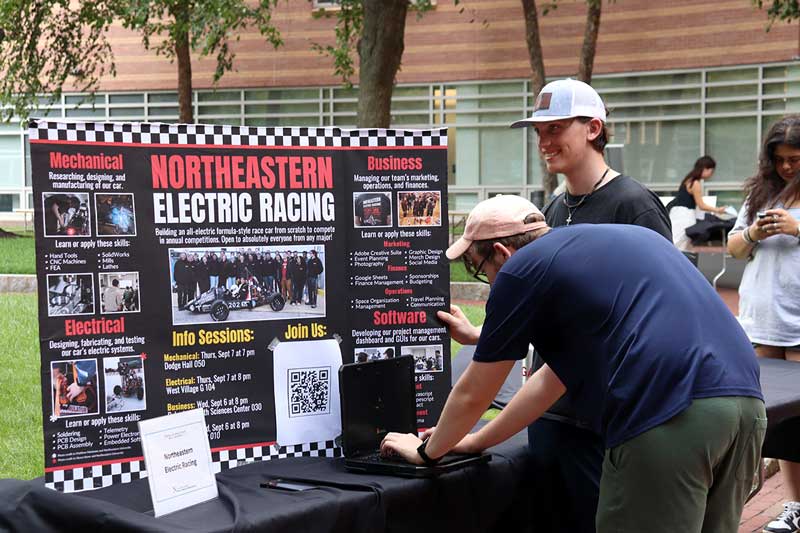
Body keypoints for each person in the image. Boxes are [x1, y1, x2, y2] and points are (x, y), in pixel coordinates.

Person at [381, 195, 765, 532]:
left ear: (501, 252)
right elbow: (551, 381)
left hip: (667, 410)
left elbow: (474, 391)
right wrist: (476, 441)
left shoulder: (520, 269)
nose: (488, 281)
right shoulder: (619, 244)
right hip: (747, 403)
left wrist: (426, 452)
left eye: (481, 269)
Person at [508, 77, 672, 532]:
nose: (544, 141)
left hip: (603, 424)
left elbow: (663, 313)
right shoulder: (557, 209)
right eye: (539, 131)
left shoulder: (635, 206)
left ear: (593, 128)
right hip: (547, 411)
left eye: (556, 128)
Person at [727, 115, 800, 533]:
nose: (786, 167)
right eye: (779, 160)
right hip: (762, 320)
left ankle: (797, 503)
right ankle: (787, 505)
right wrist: (754, 231)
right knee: (762, 420)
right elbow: (734, 249)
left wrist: (796, 226)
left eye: (794, 158)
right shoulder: (761, 193)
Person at [667, 156, 728, 250]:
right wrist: (717, 210)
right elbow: (701, 205)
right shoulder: (695, 183)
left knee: (676, 242)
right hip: (685, 216)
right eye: (711, 171)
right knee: (680, 245)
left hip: (676, 213)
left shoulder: (688, 180)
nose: (711, 174)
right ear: (705, 169)